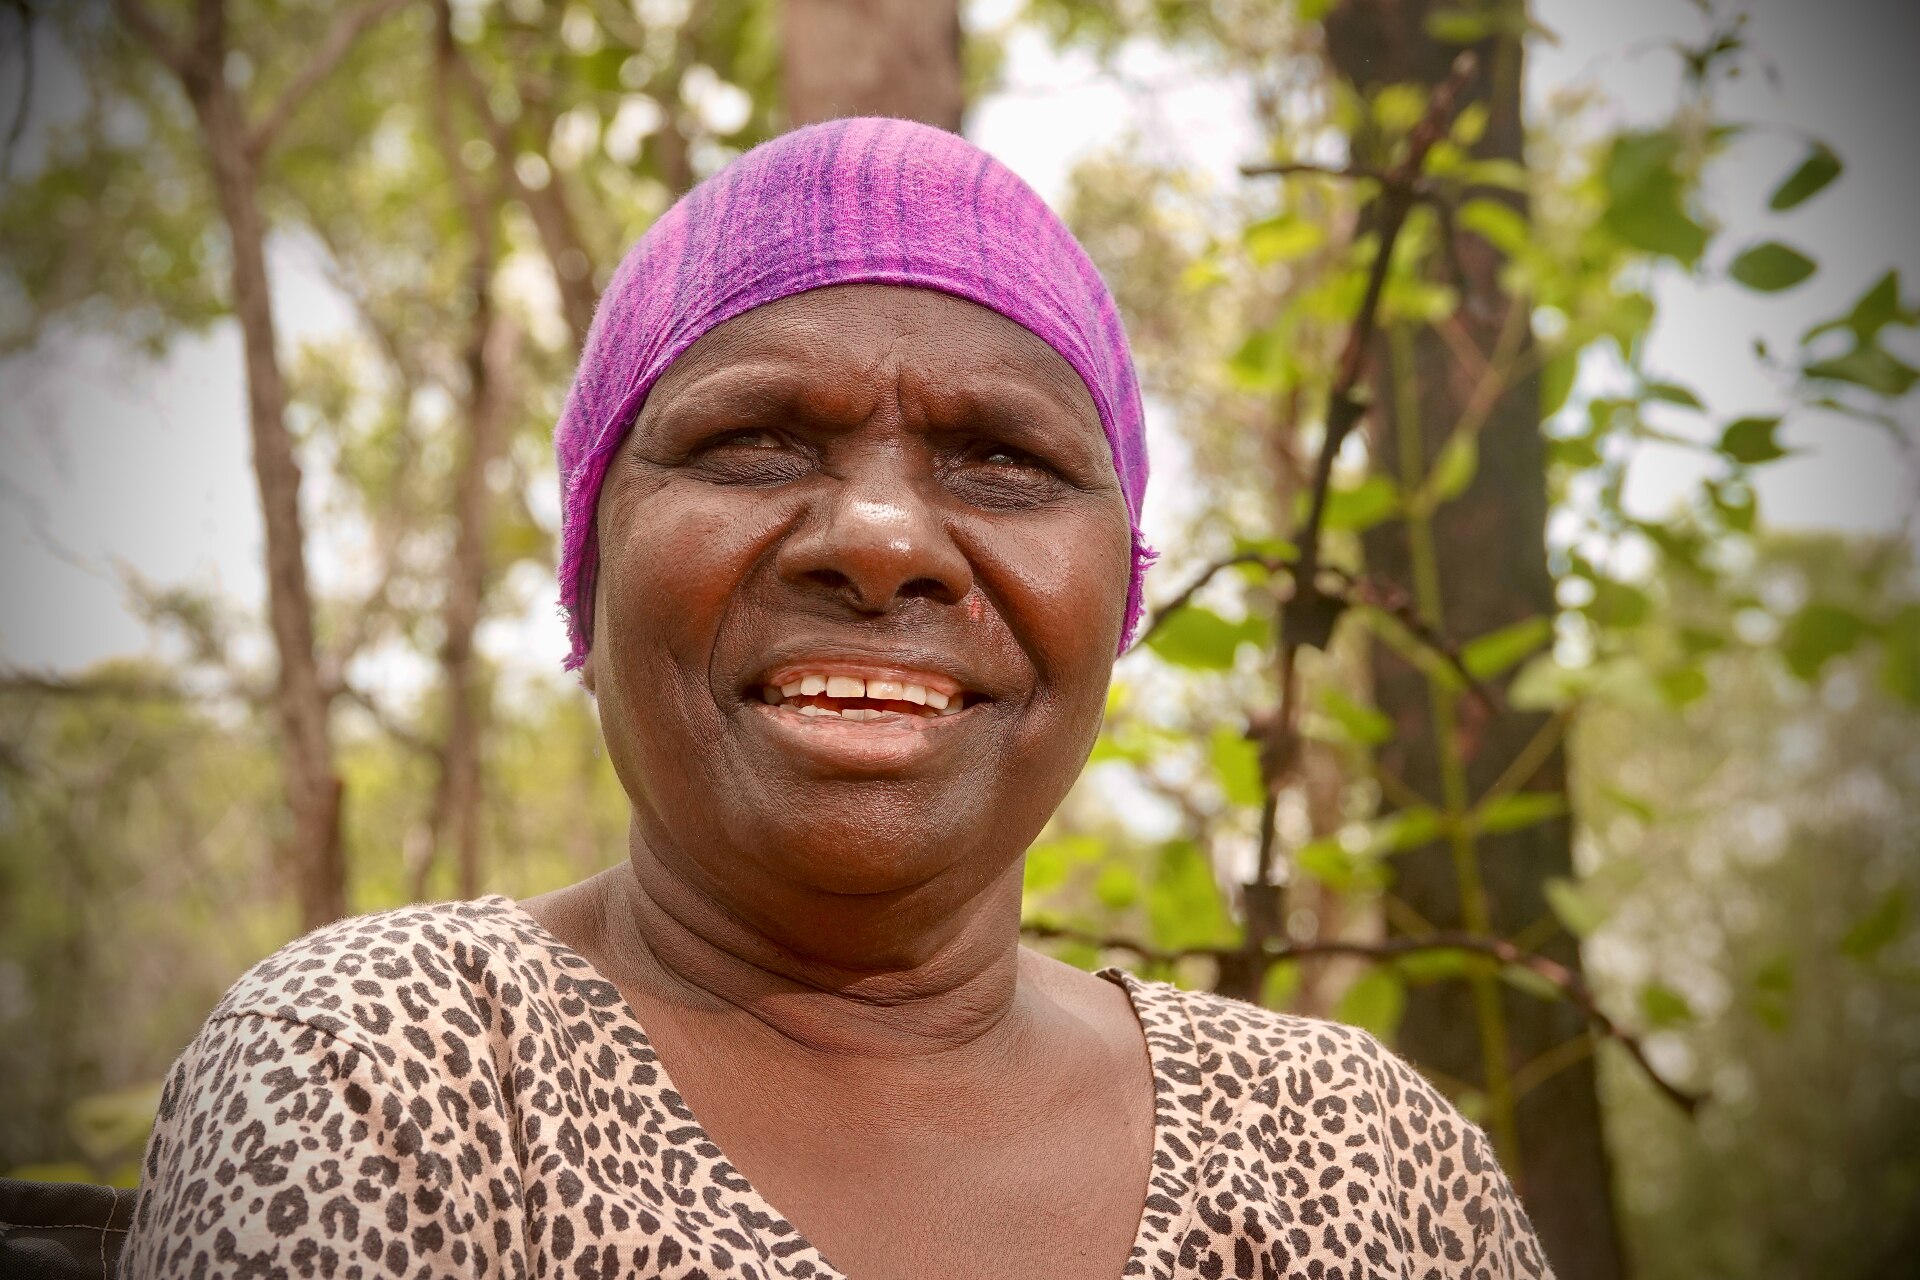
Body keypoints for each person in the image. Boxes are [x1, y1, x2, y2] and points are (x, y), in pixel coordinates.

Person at [120, 118, 1554, 1280]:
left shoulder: (1362, 1160)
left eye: (1002, 459)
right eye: (749, 441)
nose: (880, 542)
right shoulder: (394, 1067)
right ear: (588, 571)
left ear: (1115, 597)